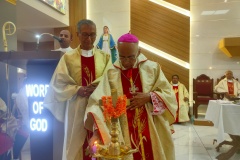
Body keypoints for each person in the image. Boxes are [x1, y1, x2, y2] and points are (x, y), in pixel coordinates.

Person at [84, 33, 177, 160]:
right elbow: (97, 102)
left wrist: (149, 96)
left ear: (139, 52)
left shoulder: (152, 68)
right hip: (123, 130)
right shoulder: (112, 73)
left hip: (150, 127)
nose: (126, 61)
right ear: (117, 50)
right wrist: (96, 133)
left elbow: (169, 95)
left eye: (131, 57)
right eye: (122, 57)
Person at [44, 19, 111, 160]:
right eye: (85, 34)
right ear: (78, 34)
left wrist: (97, 87)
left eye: (93, 35)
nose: (89, 39)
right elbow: (58, 83)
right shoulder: (68, 58)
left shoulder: (105, 57)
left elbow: (110, 78)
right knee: (76, 143)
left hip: (99, 106)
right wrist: (77, 89)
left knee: (101, 141)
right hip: (76, 106)